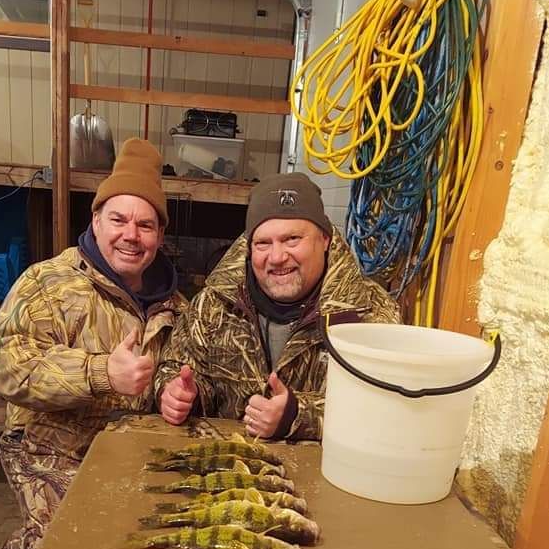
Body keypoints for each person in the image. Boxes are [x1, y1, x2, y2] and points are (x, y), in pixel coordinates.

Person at [0, 139, 185, 549]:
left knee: (162, 538)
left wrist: (174, 392)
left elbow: (176, 373)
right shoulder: (48, 282)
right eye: (118, 219)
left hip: (132, 449)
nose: (130, 235)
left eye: (146, 224)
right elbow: (7, 365)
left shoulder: (174, 305)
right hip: (46, 449)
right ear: (95, 221)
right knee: (74, 544)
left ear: (159, 235)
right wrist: (101, 374)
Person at [155, 172, 400, 441]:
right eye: (263, 243)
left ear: (325, 239)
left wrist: (298, 416)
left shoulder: (370, 312)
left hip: (323, 472)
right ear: (249, 248)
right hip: (228, 467)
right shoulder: (214, 302)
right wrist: (179, 394)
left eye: (292, 239)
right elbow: (175, 367)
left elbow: (385, 406)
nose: (277, 257)